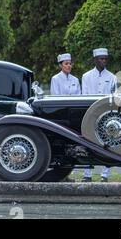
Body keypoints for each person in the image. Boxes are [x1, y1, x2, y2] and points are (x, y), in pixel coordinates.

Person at [81, 48, 116, 182]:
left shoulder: (112, 77)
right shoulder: (86, 76)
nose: (104, 61)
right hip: (90, 114)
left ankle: (105, 175)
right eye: (101, 59)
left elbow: (113, 96)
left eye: (105, 59)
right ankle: (87, 174)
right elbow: (84, 96)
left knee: (107, 143)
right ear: (95, 60)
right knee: (87, 143)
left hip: (106, 114)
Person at [50, 53, 80, 182]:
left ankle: (68, 174)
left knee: (72, 145)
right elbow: (55, 97)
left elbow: (79, 96)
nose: (69, 66)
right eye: (66, 64)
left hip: (73, 115)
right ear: (60, 65)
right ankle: (62, 175)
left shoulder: (75, 80)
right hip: (61, 115)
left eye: (70, 63)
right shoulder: (55, 79)